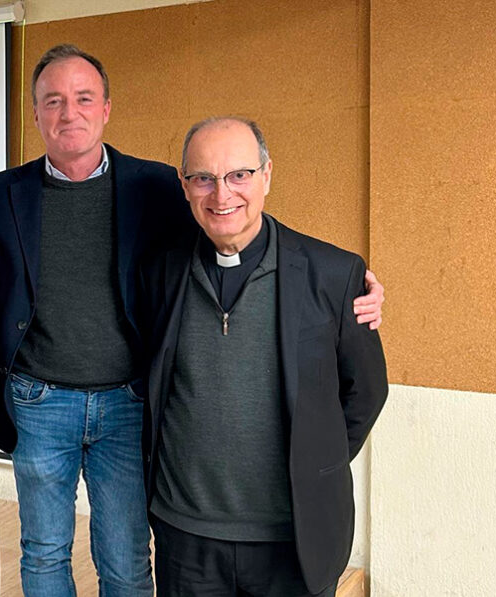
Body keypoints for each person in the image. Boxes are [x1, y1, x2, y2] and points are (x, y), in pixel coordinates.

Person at [0, 45, 385, 596]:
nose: (69, 113)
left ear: (105, 109)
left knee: (126, 557)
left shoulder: (157, 186)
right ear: (36, 114)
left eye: (83, 99)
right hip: (38, 400)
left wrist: (343, 288)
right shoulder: (2, 197)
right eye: (53, 101)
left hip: (126, 403)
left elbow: (229, 223)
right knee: (44, 552)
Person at [138, 116, 389, 597]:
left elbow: (366, 391)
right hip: (186, 537)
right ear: (184, 187)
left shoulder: (335, 274)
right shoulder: (159, 272)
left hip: (293, 539)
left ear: (267, 175)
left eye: (239, 175)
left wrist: (314, 460)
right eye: (203, 178)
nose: (222, 194)